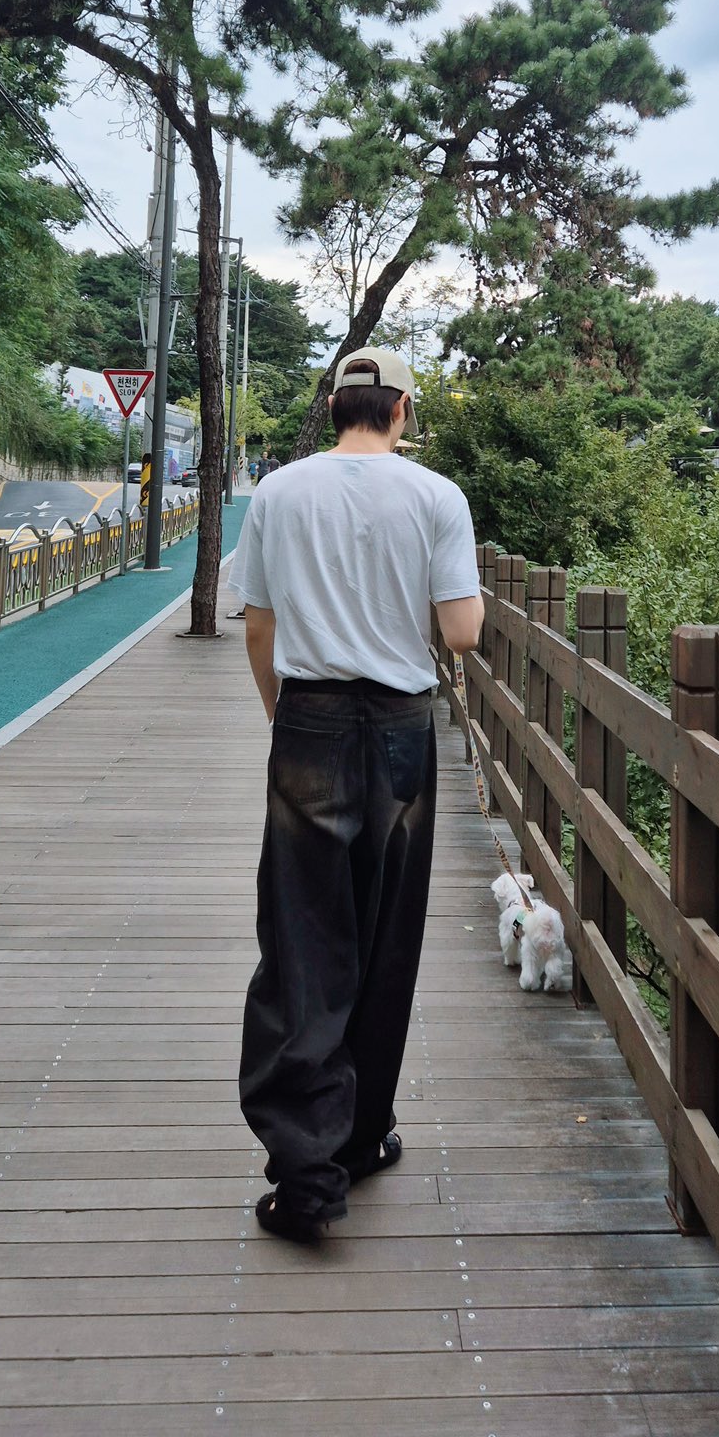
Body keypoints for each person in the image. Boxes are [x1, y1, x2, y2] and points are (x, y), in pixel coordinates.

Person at [230, 346, 484, 1241]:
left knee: (304, 941)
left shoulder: (280, 492)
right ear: (403, 410)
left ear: (334, 402)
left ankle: (306, 1171)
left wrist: (282, 717)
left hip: (309, 721)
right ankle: (363, 1135)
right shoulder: (436, 497)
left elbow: (258, 626)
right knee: (383, 940)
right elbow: (461, 633)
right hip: (403, 734)